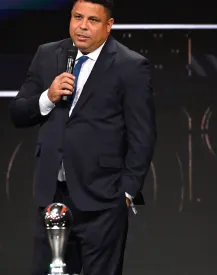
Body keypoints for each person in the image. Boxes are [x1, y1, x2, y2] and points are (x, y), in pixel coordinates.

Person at [9, 0, 156, 274]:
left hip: (103, 200)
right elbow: (18, 112)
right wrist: (48, 97)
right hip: (52, 194)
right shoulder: (48, 55)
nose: (83, 27)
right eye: (78, 17)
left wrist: (126, 191)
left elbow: (143, 135)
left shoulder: (130, 65)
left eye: (92, 20)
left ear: (109, 25)